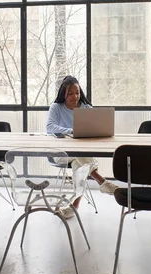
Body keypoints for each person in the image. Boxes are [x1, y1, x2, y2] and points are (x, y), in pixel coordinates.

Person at [46, 76, 118, 219]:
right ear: (64, 94)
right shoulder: (56, 107)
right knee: (82, 159)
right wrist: (72, 131)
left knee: (80, 167)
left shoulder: (85, 108)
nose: (75, 96)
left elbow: (96, 127)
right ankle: (101, 181)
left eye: (77, 92)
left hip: (79, 155)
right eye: (71, 93)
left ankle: (74, 206)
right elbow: (50, 127)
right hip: (61, 153)